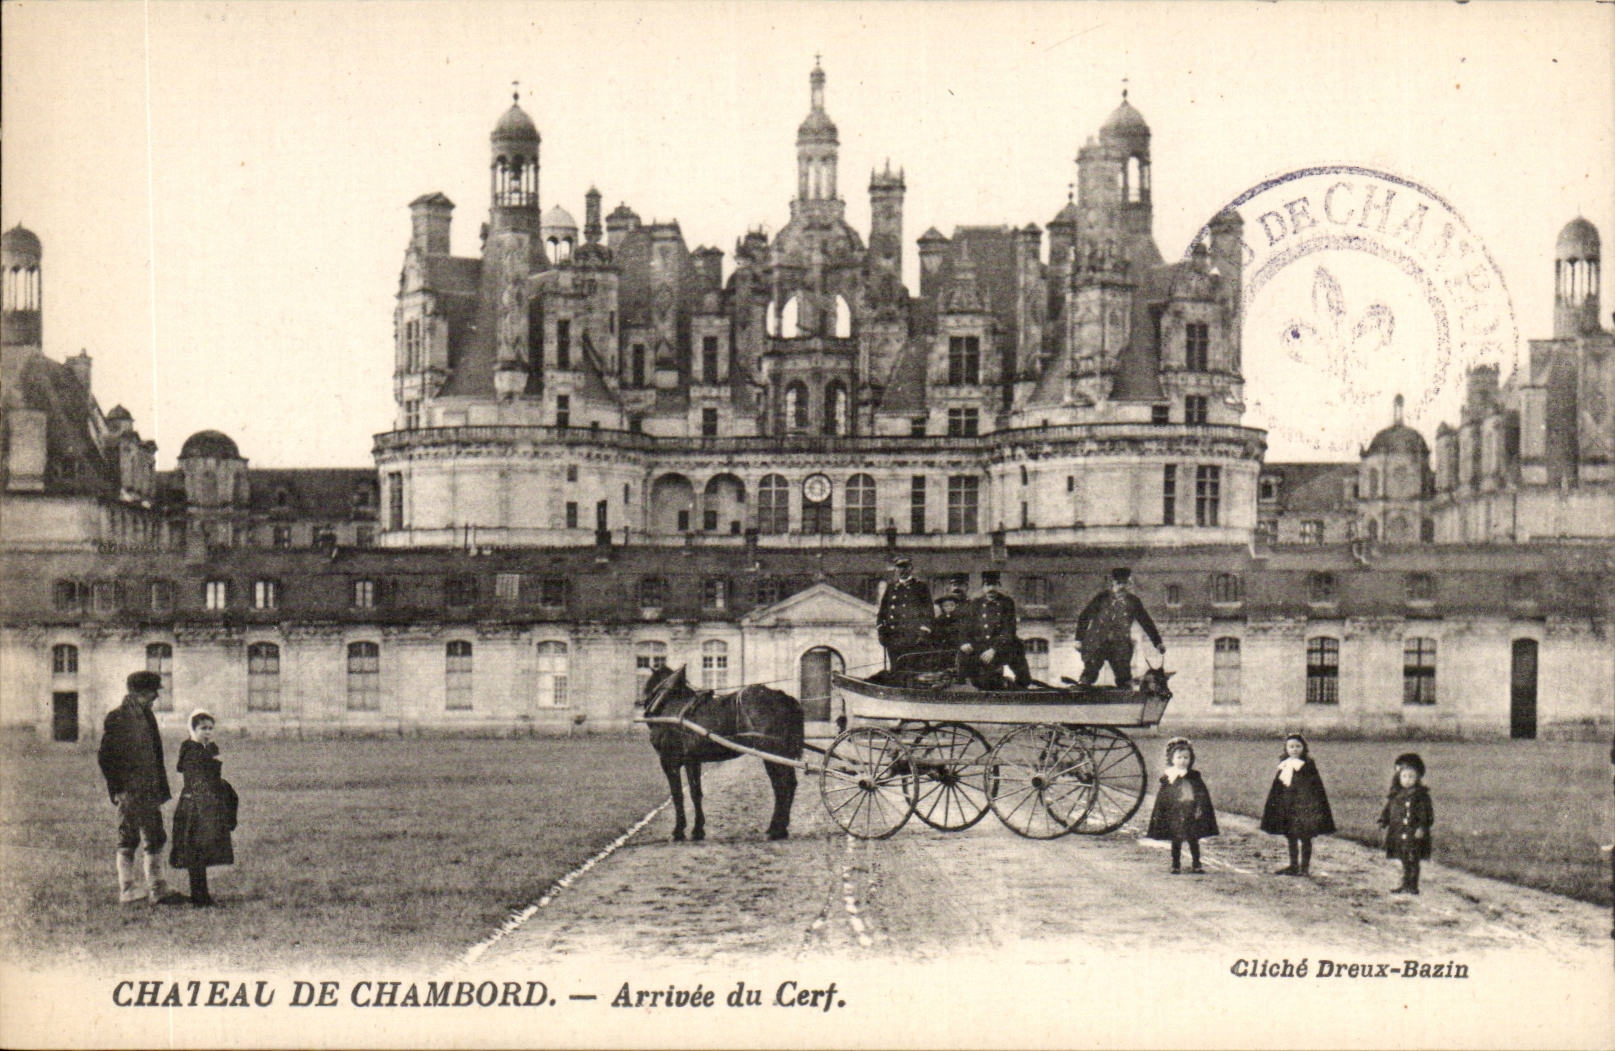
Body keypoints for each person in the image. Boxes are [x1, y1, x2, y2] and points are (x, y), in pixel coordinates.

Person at [97, 671, 185, 905]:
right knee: (128, 838)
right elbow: (105, 757)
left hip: (149, 790)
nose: (155, 696)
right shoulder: (116, 717)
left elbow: (155, 756)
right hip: (129, 792)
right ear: (138, 693)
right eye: (152, 692)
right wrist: (117, 790)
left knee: (156, 837)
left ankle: (157, 888)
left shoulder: (148, 717)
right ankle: (128, 889)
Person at [170, 710, 238, 908]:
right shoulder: (191, 749)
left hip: (210, 800)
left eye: (210, 728)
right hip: (196, 804)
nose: (207, 732)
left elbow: (215, 773)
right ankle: (199, 896)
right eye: (202, 728)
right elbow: (195, 777)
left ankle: (202, 893)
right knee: (195, 849)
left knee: (205, 847)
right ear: (193, 729)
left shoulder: (210, 748)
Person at [1259, 734, 1336, 875]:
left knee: (1305, 836)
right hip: (1288, 805)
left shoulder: (1307, 765)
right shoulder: (1284, 764)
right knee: (1290, 835)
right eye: (1291, 746)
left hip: (1304, 807)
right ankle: (1293, 865)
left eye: (1298, 746)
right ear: (1286, 748)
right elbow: (1279, 787)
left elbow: (1314, 787)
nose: (1294, 749)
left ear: (1303, 748)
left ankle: (1304, 868)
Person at [1075, 568, 1164, 688]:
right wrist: (1079, 639)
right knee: (1090, 670)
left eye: (1125, 583)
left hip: (1120, 644)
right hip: (1097, 642)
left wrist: (1157, 642)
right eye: (1119, 583)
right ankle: (1082, 689)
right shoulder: (1101, 598)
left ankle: (1125, 697)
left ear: (1128, 584)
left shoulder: (1133, 602)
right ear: (1113, 583)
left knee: (1124, 676)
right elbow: (1084, 616)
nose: (1121, 587)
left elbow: (1146, 622)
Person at [1145, 737, 1219, 874]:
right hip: (1176, 811)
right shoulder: (1169, 776)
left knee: (1193, 838)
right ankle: (1175, 864)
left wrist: (1199, 807)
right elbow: (1164, 797)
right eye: (1179, 757)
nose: (1183, 760)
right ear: (1172, 759)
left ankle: (1196, 863)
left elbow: (1201, 793)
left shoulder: (1194, 776)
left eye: (1186, 757)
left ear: (1191, 759)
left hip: (1190, 809)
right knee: (1176, 839)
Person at [959, 572, 1030, 689]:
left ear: (998, 586)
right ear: (983, 587)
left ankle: (1017, 686)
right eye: (987, 585)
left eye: (994, 585)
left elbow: (1009, 629)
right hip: (982, 647)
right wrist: (964, 642)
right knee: (984, 682)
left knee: (1024, 679)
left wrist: (994, 649)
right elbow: (966, 626)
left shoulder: (1007, 602)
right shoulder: (975, 604)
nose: (991, 589)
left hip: (1003, 647)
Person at [1377, 752, 1434, 894]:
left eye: (1411, 776)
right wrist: (1383, 820)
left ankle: (1412, 885)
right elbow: (1388, 809)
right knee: (1403, 858)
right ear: (1398, 777)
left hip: (1413, 834)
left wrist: (1422, 827)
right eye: (1404, 776)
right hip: (1398, 832)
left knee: (1413, 858)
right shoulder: (1395, 794)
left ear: (1417, 778)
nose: (1407, 780)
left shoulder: (1421, 796)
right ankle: (1404, 883)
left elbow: (1426, 814)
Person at [875, 557, 934, 666]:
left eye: (905, 567)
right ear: (896, 570)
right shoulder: (891, 587)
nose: (902, 571)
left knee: (911, 668)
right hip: (893, 637)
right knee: (895, 668)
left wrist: (923, 631)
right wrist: (881, 630)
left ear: (911, 568)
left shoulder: (920, 587)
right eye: (899, 567)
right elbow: (882, 611)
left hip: (913, 637)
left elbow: (929, 611)